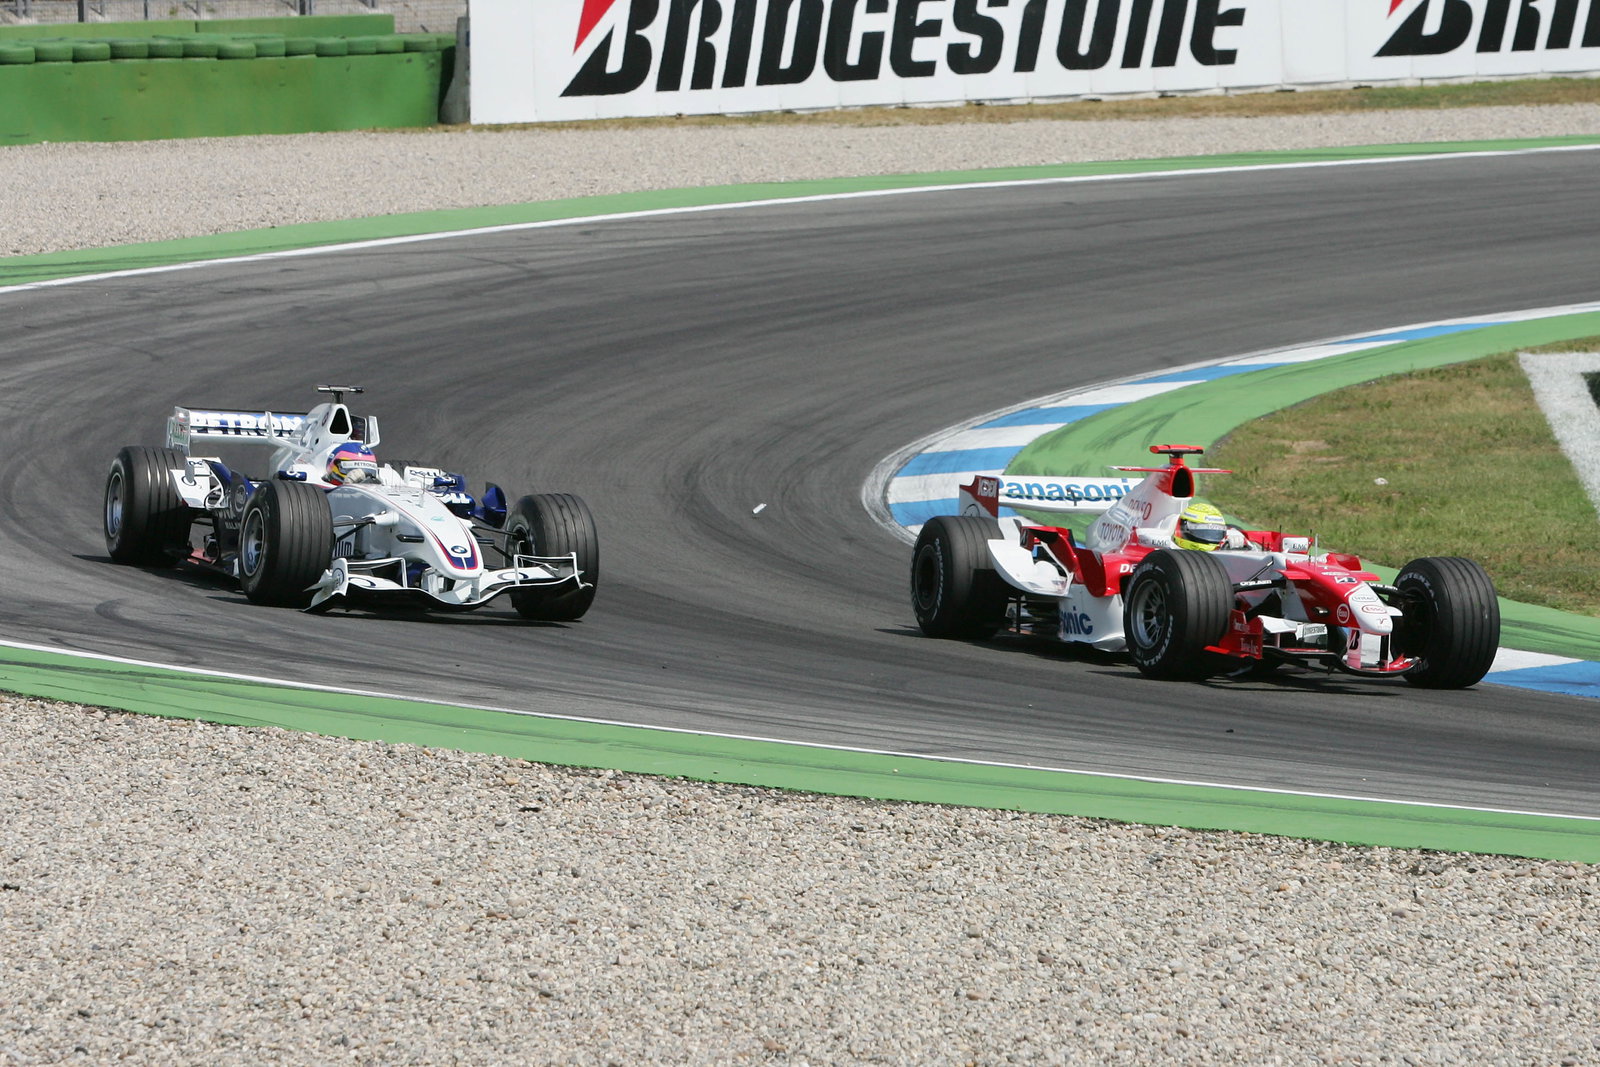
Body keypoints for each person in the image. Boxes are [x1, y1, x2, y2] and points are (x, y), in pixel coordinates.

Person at [1174, 500, 1254, 551]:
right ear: (1184, 529)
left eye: (1214, 533)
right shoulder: (1169, 548)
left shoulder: (1233, 538)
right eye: (1203, 533)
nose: (1210, 538)